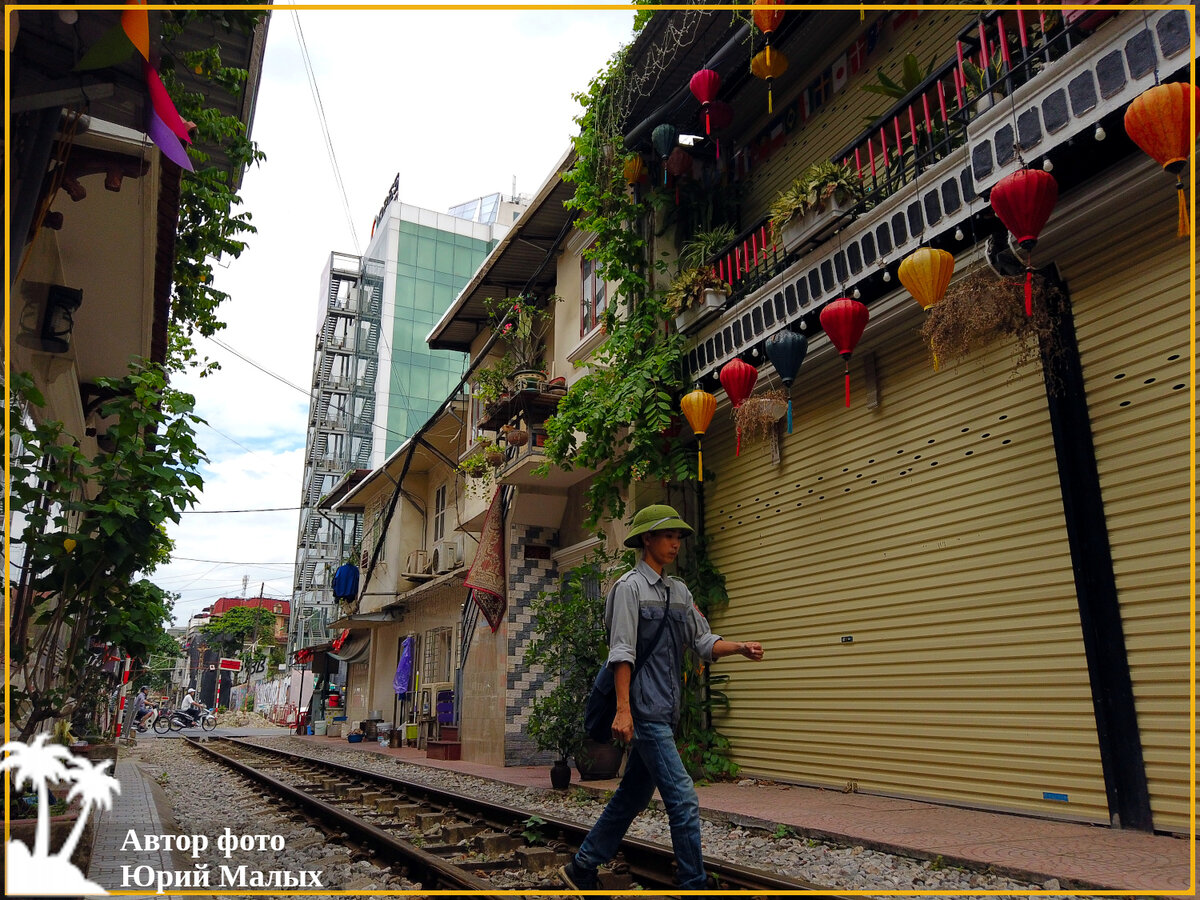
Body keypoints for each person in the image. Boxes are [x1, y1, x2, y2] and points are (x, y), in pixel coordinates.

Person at [559, 504, 764, 894]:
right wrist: (623, 711)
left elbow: (703, 642)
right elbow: (621, 652)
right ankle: (693, 883)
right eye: (667, 536)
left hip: (667, 711)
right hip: (644, 712)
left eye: (678, 537)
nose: (675, 543)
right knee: (684, 800)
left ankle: (581, 867)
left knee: (632, 796)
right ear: (647, 540)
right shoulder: (628, 589)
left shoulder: (679, 592)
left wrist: (739, 647)